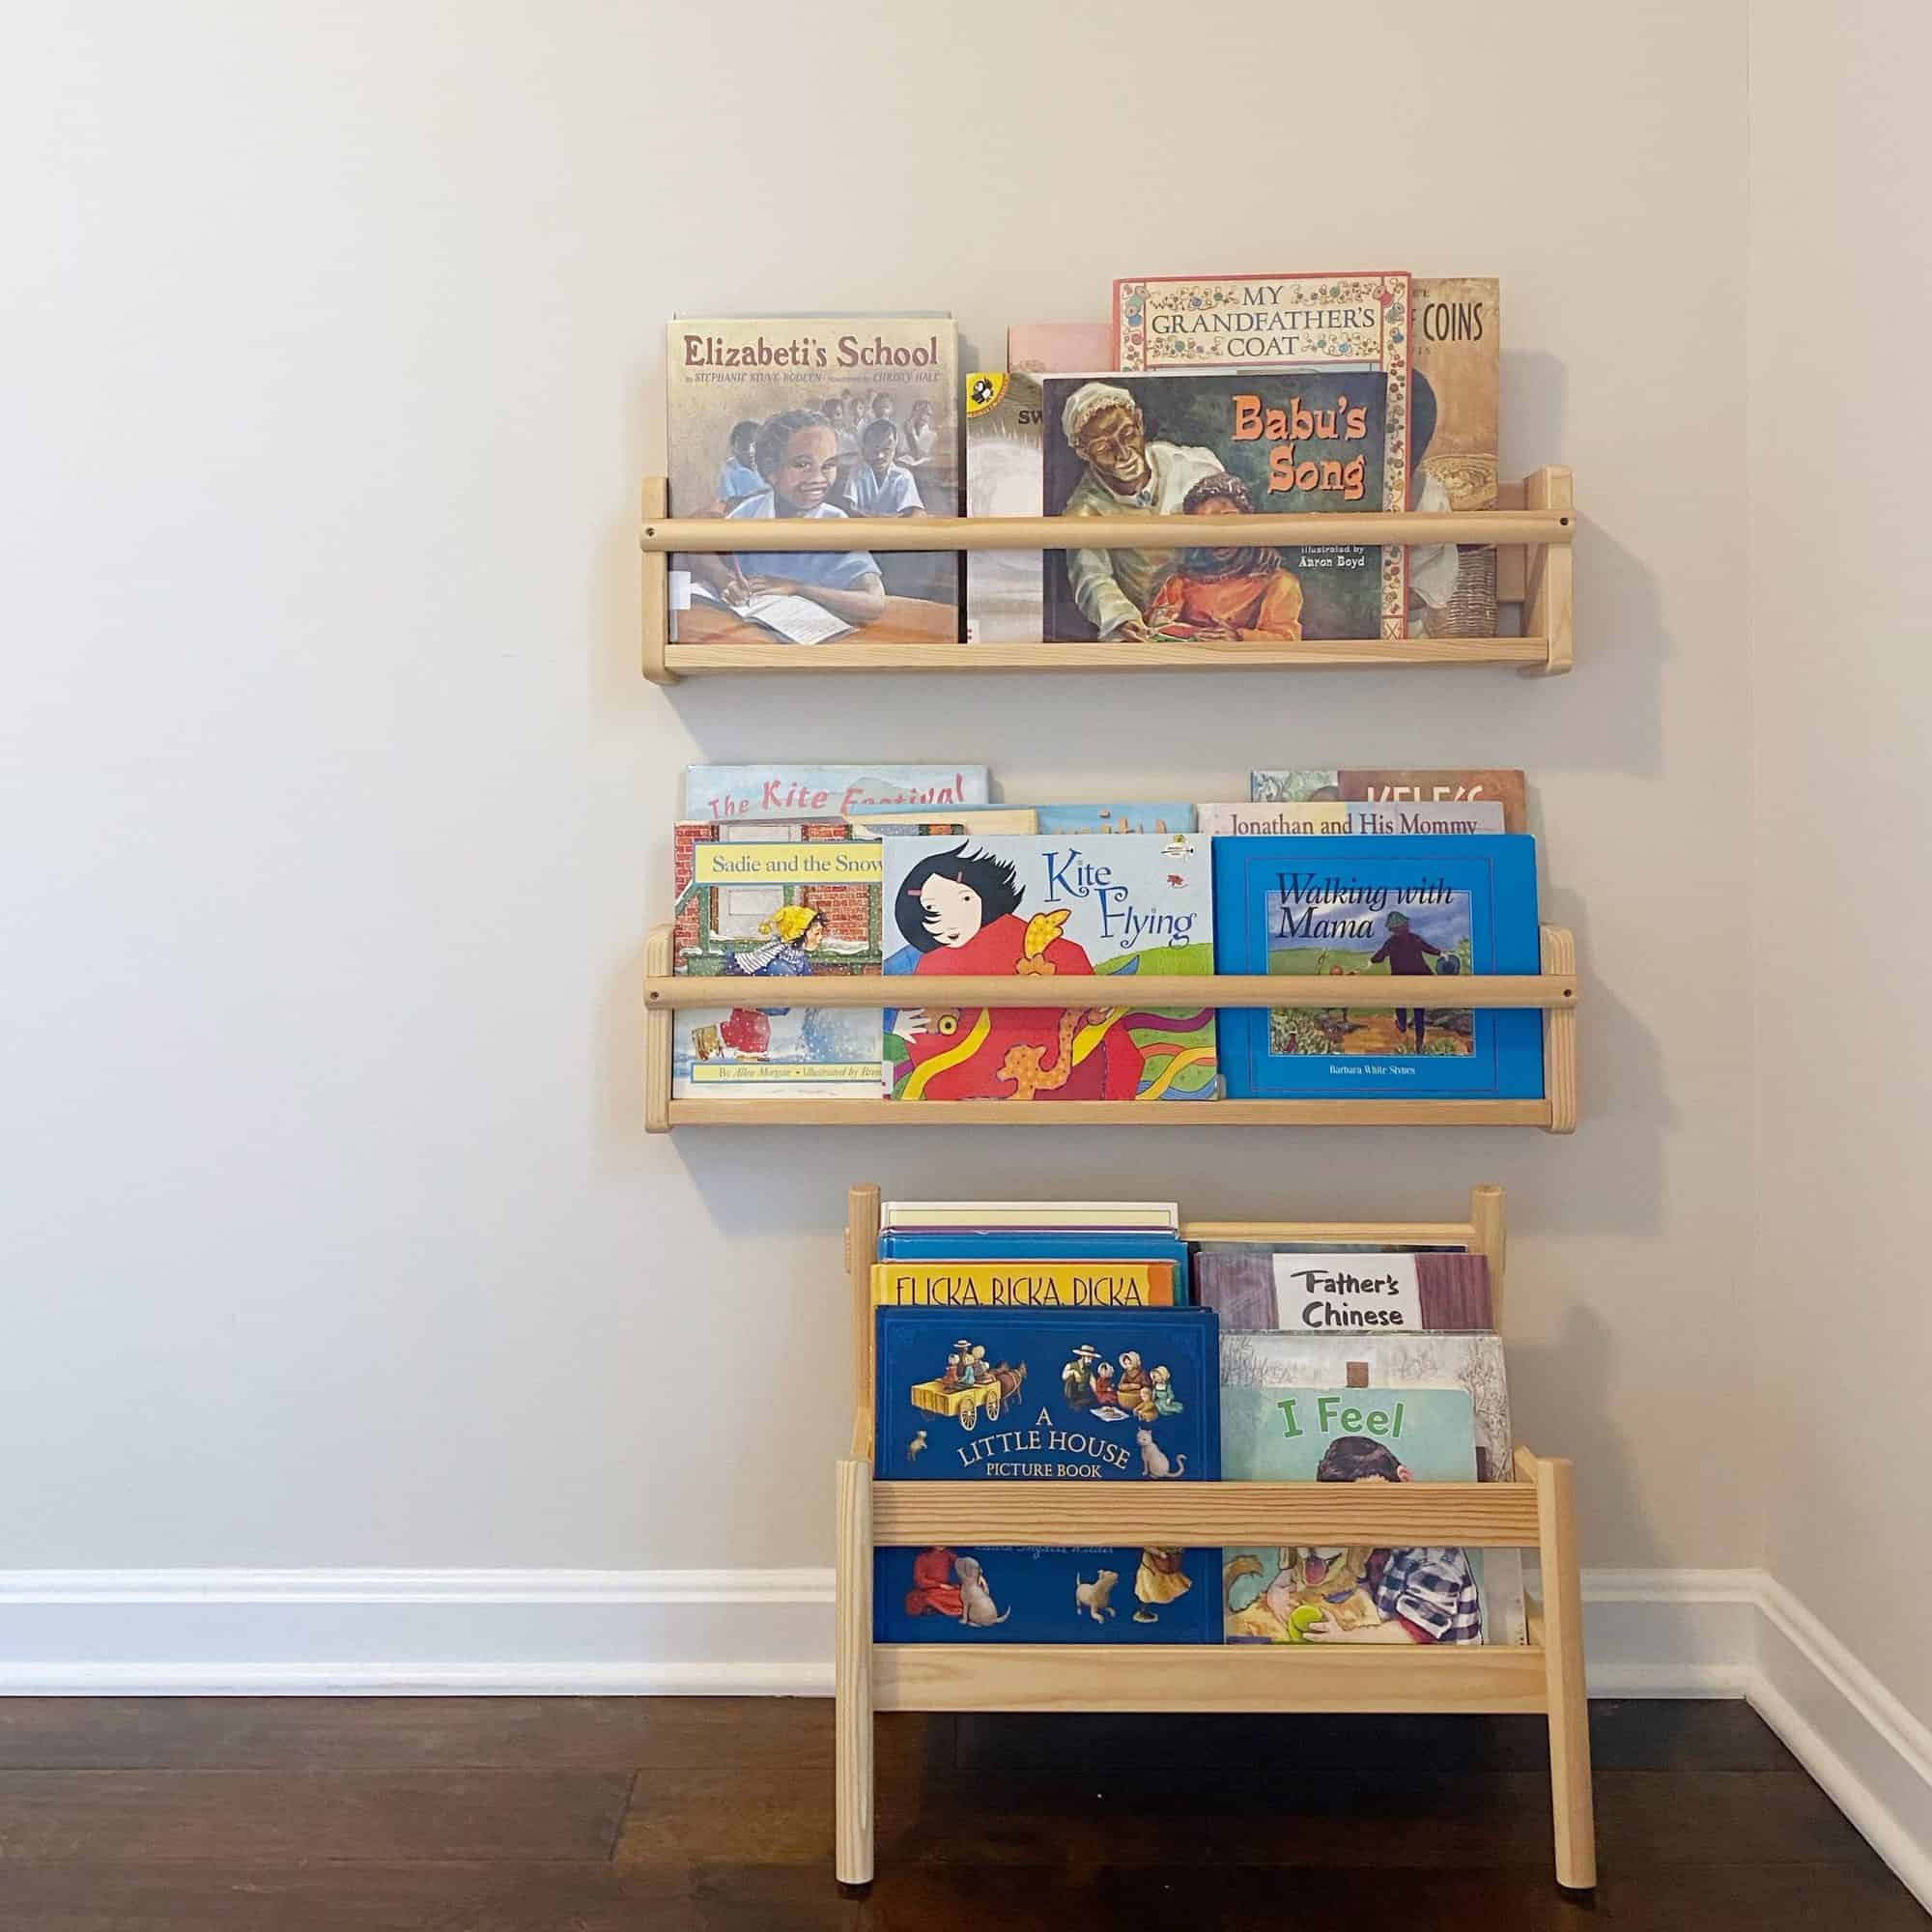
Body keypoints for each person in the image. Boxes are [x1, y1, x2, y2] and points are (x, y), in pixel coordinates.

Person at [888, 842, 1145, 1101]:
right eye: (933, 911)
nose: (951, 919)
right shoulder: (930, 965)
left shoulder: (1031, 937)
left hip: (1062, 1081)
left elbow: (1069, 960)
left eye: (963, 899)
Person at [688, 410, 887, 633]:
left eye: (828, 465)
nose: (818, 479)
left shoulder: (836, 522)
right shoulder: (751, 511)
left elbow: (875, 603)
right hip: (752, 638)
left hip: (819, 641)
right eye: (802, 465)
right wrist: (724, 579)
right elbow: (699, 550)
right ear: (770, 471)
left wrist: (798, 588)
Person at [1057, 382, 1220, 639]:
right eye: (1103, 449)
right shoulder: (1084, 511)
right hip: (1148, 628)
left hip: (1214, 611)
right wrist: (1122, 618)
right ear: (1083, 453)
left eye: (1128, 435)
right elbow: (1092, 577)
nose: (1123, 453)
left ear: (1140, 422)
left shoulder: (1192, 467)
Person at [1299, 1436, 1484, 1644]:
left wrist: (1344, 1637)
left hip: (1443, 1670)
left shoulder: (1436, 1553)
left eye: (1374, 1503)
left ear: (1404, 1481)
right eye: (1349, 1510)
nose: (1366, 1520)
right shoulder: (1367, 1545)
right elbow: (1348, 1588)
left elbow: (1411, 1633)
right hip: (1388, 1661)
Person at [1143, 471, 1304, 640]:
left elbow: (1286, 639)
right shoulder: (1181, 582)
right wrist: (1195, 634)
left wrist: (1239, 638)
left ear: (1248, 520)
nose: (1219, 533)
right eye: (1206, 525)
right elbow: (1156, 627)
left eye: (1229, 519)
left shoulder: (1279, 583)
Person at [718, 903, 826, 1060]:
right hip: (750, 1009)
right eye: (816, 933)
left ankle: (709, 1040)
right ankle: (749, 1071)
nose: (820, 938)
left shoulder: (796, 958)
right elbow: (781, 997)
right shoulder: (779, 963)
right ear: (799, 933)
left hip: (754, 1009)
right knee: (753, 1039)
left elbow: (805, 980)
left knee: (741, 1035)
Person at [1370, 910, 1445, 1053]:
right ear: (1405, 925)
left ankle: (1402, 1025)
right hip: (1420, 979)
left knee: (1400, 1003)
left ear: (1393, 929)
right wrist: (1442, 953)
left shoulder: (1391, 942)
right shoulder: (1414, 938)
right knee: (1418, 1014)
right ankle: (1419, 1044)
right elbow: (1429, 949)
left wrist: (1371, 961)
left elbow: (1378, 957)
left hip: (1401, 980)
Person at [843, 419, 926, 517]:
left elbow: (912, 511)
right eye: (874, 450)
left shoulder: (903, 476)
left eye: (886, 449)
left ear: (895, 448)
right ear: (864, 449)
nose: (879, 456)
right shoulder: (857, 472)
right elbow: (849, 507)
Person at [904, 1547, 964, 1620]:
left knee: (961, 1593)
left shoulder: (947, 1554)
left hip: (945, 1589)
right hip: (929, 1590)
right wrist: (940, 1585)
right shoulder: (922, 1558)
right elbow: (920, 1581)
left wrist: (978, 1573)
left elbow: (961, 1563)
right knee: (930, 1597)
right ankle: (951, 1610)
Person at [717, 420, 763, 507]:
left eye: (754, 445)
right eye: (744, 446)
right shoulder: (729, 470)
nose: (750, 451)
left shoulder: (766, 465)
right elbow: (729, 503)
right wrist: (759, 497)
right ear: (734, 448)